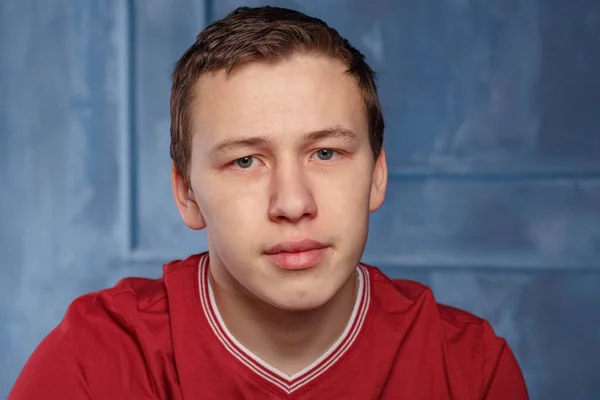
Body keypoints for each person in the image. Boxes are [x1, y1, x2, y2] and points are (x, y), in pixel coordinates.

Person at [9, 6, 529, 399]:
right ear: (186, 194)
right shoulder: (93, 365)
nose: (292, 202)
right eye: (245, 161)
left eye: (325, 152)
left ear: (377, 176)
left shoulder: (470, 370)